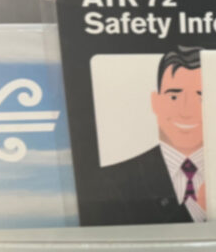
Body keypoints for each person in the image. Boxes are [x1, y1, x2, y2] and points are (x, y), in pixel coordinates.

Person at [83, 46, 206, 225]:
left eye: (202, 97)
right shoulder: (110, 182)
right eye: (174, 97)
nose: (187, 112)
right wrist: (198, 208)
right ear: (155, 102)